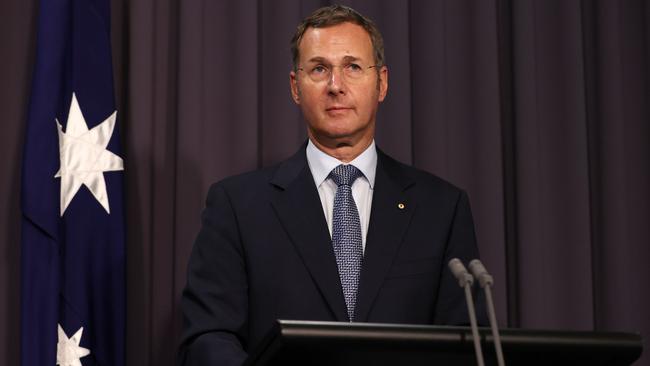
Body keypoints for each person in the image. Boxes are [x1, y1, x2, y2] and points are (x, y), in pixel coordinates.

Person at [178, 5, 483, 366]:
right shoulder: (238, 206)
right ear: (295, 87)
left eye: (353, 67)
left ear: (381, 83)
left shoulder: (441, 209)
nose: (336, 86)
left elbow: (466, 341)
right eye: (319, 69)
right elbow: (208, 337)